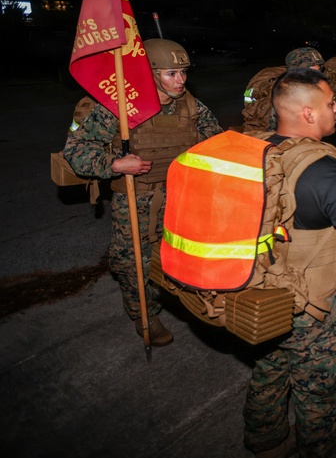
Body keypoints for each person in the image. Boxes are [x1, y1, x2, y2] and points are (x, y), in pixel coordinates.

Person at [243, 68, 336, 458]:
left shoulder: (252, 147)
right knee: (320, 388)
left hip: (256, 290)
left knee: (270, 367)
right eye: (330, 103)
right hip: (310, 302)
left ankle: (266, 445)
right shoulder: (324, 169)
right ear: (307, 113)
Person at [62, 38, 223, 346]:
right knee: (133, 260)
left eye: (184, 72)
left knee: (181, 254)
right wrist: (116, 163)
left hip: (181, 195)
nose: (181, 81)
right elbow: (76, 150)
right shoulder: (120, 107)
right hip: (135, 199)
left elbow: (216, 140)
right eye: (171, 74)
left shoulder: (190, 105)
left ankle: (183, 300)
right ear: (149, 73)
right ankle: (144, 315)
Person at [242, 47, 324, 132]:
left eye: (318, 71)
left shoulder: (312, 85)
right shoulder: (281, 90)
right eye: (310, 72)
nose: (316, 76)